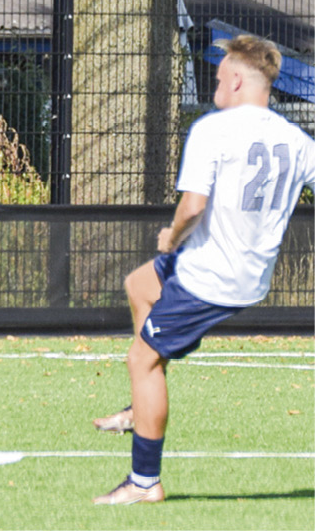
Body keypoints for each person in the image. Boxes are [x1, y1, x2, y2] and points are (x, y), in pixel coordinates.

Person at [92, 34, 315, 505]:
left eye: (219, 74)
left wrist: (170, 238)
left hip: (211, 276)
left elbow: (193, 207)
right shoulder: (297, 140)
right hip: (246, 274)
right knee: (140, 284)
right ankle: (141, 401)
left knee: (141, 358)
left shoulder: (214, 129)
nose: (215, 80)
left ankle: (144, 483)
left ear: (237, 78)